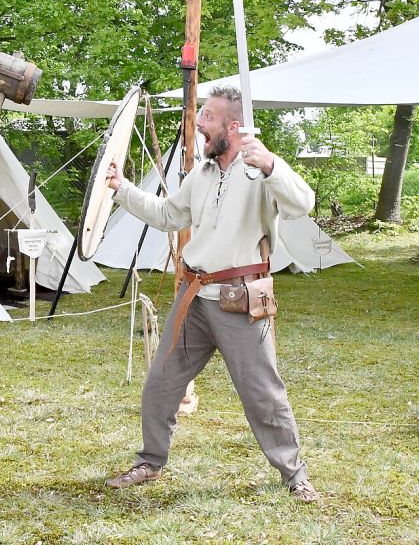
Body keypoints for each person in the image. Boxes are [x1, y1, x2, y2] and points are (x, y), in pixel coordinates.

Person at [103, 85, 320, 502]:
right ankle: (150, 461)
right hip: (194, 296)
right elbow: (169, 215)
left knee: (263, 393)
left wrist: (272, 165)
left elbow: (303, 204)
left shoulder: (260, 170)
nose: (198, 123)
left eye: (207, 116)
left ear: (232, 126)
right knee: (161, 383)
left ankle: (294, 474)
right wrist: (121, 188)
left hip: (239, 300)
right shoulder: (200, 175)